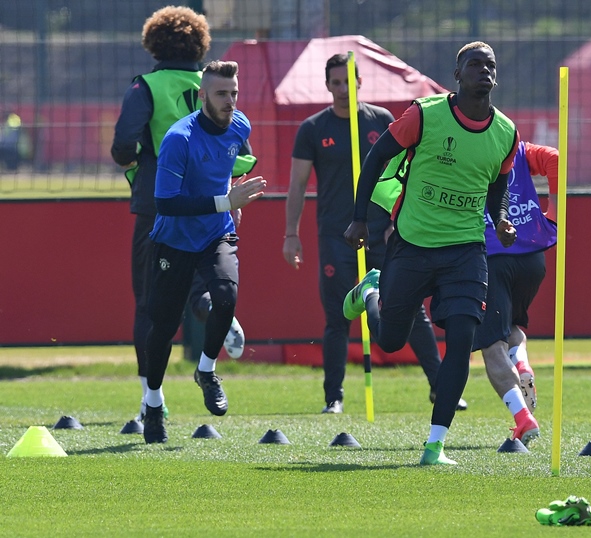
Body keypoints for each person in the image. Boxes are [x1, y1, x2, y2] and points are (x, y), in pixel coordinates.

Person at [343, 41, 519, 465]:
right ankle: (372, 292)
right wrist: (360, 218)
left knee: (461, 338)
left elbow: (498, 182)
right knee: (389, 341)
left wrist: (499, 219)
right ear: (457, 75)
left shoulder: (506, 133)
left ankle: (434, 446)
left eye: (490, 65)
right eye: (474, 64)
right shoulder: (425, 114)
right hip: (413, 245)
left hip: (465, 250)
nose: (484, 71)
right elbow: (377, 156)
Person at [282, 53, 466, 414]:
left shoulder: (381, 120)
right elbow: (297, 185)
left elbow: (407, 175)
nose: (341, 90)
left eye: (348, 82)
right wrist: (291, 234)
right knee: (337, 316)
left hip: (384, 236)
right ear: (327, 85)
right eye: (335, 83)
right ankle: (333, 397)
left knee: (413, 311)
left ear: (360, 82)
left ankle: (440, 387)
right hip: (336, 237)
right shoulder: (313, 129)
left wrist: (399, 223)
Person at [111, 6, 248, 426]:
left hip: (160, 204)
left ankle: (151, 398)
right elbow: (238, 155)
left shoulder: (147, 86)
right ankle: (215, 313)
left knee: (150, 306)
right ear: (199, 43)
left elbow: (122, 146)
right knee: (196, 290)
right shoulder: (210, 83)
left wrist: (138, 170)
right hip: (212, 202)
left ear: (153, 42)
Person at [141, 60, 266, 443]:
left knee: (226, 296)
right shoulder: (179, 139)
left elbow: (224, 166)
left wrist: (231, 200)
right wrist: (225, 201)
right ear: (202, 97)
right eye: (221, 94)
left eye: (234, 93)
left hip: (216, 235)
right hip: (172, 240)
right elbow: (166, 203)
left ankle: (207, 371)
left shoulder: (240, 124)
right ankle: (154, 402)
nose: (230, 102)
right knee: (162, 329)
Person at [472, 140, 558, 446]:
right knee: (513, 326)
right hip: (533, 258)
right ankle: (521, 364)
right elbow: (556, 159)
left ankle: (523, 419)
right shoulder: (518, 148)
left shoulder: (467, 147)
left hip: (493, 256)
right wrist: (554, 214)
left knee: (490, 344)